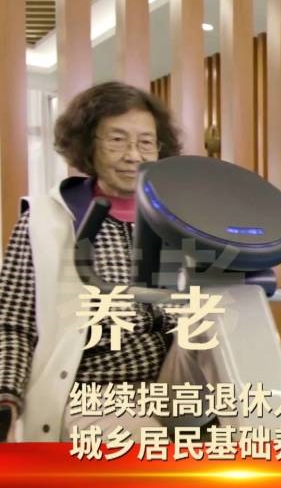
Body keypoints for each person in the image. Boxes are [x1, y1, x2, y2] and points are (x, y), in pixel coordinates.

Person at [0, 81, 191, 441]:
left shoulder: (177, 220)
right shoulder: (45, 220)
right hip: (97, 393)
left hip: (176, 386)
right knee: (147, 450)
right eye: (117, 140)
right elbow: (13, 323)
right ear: (88, 144)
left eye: (146, 142)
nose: (133, 155)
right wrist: (6, 396)